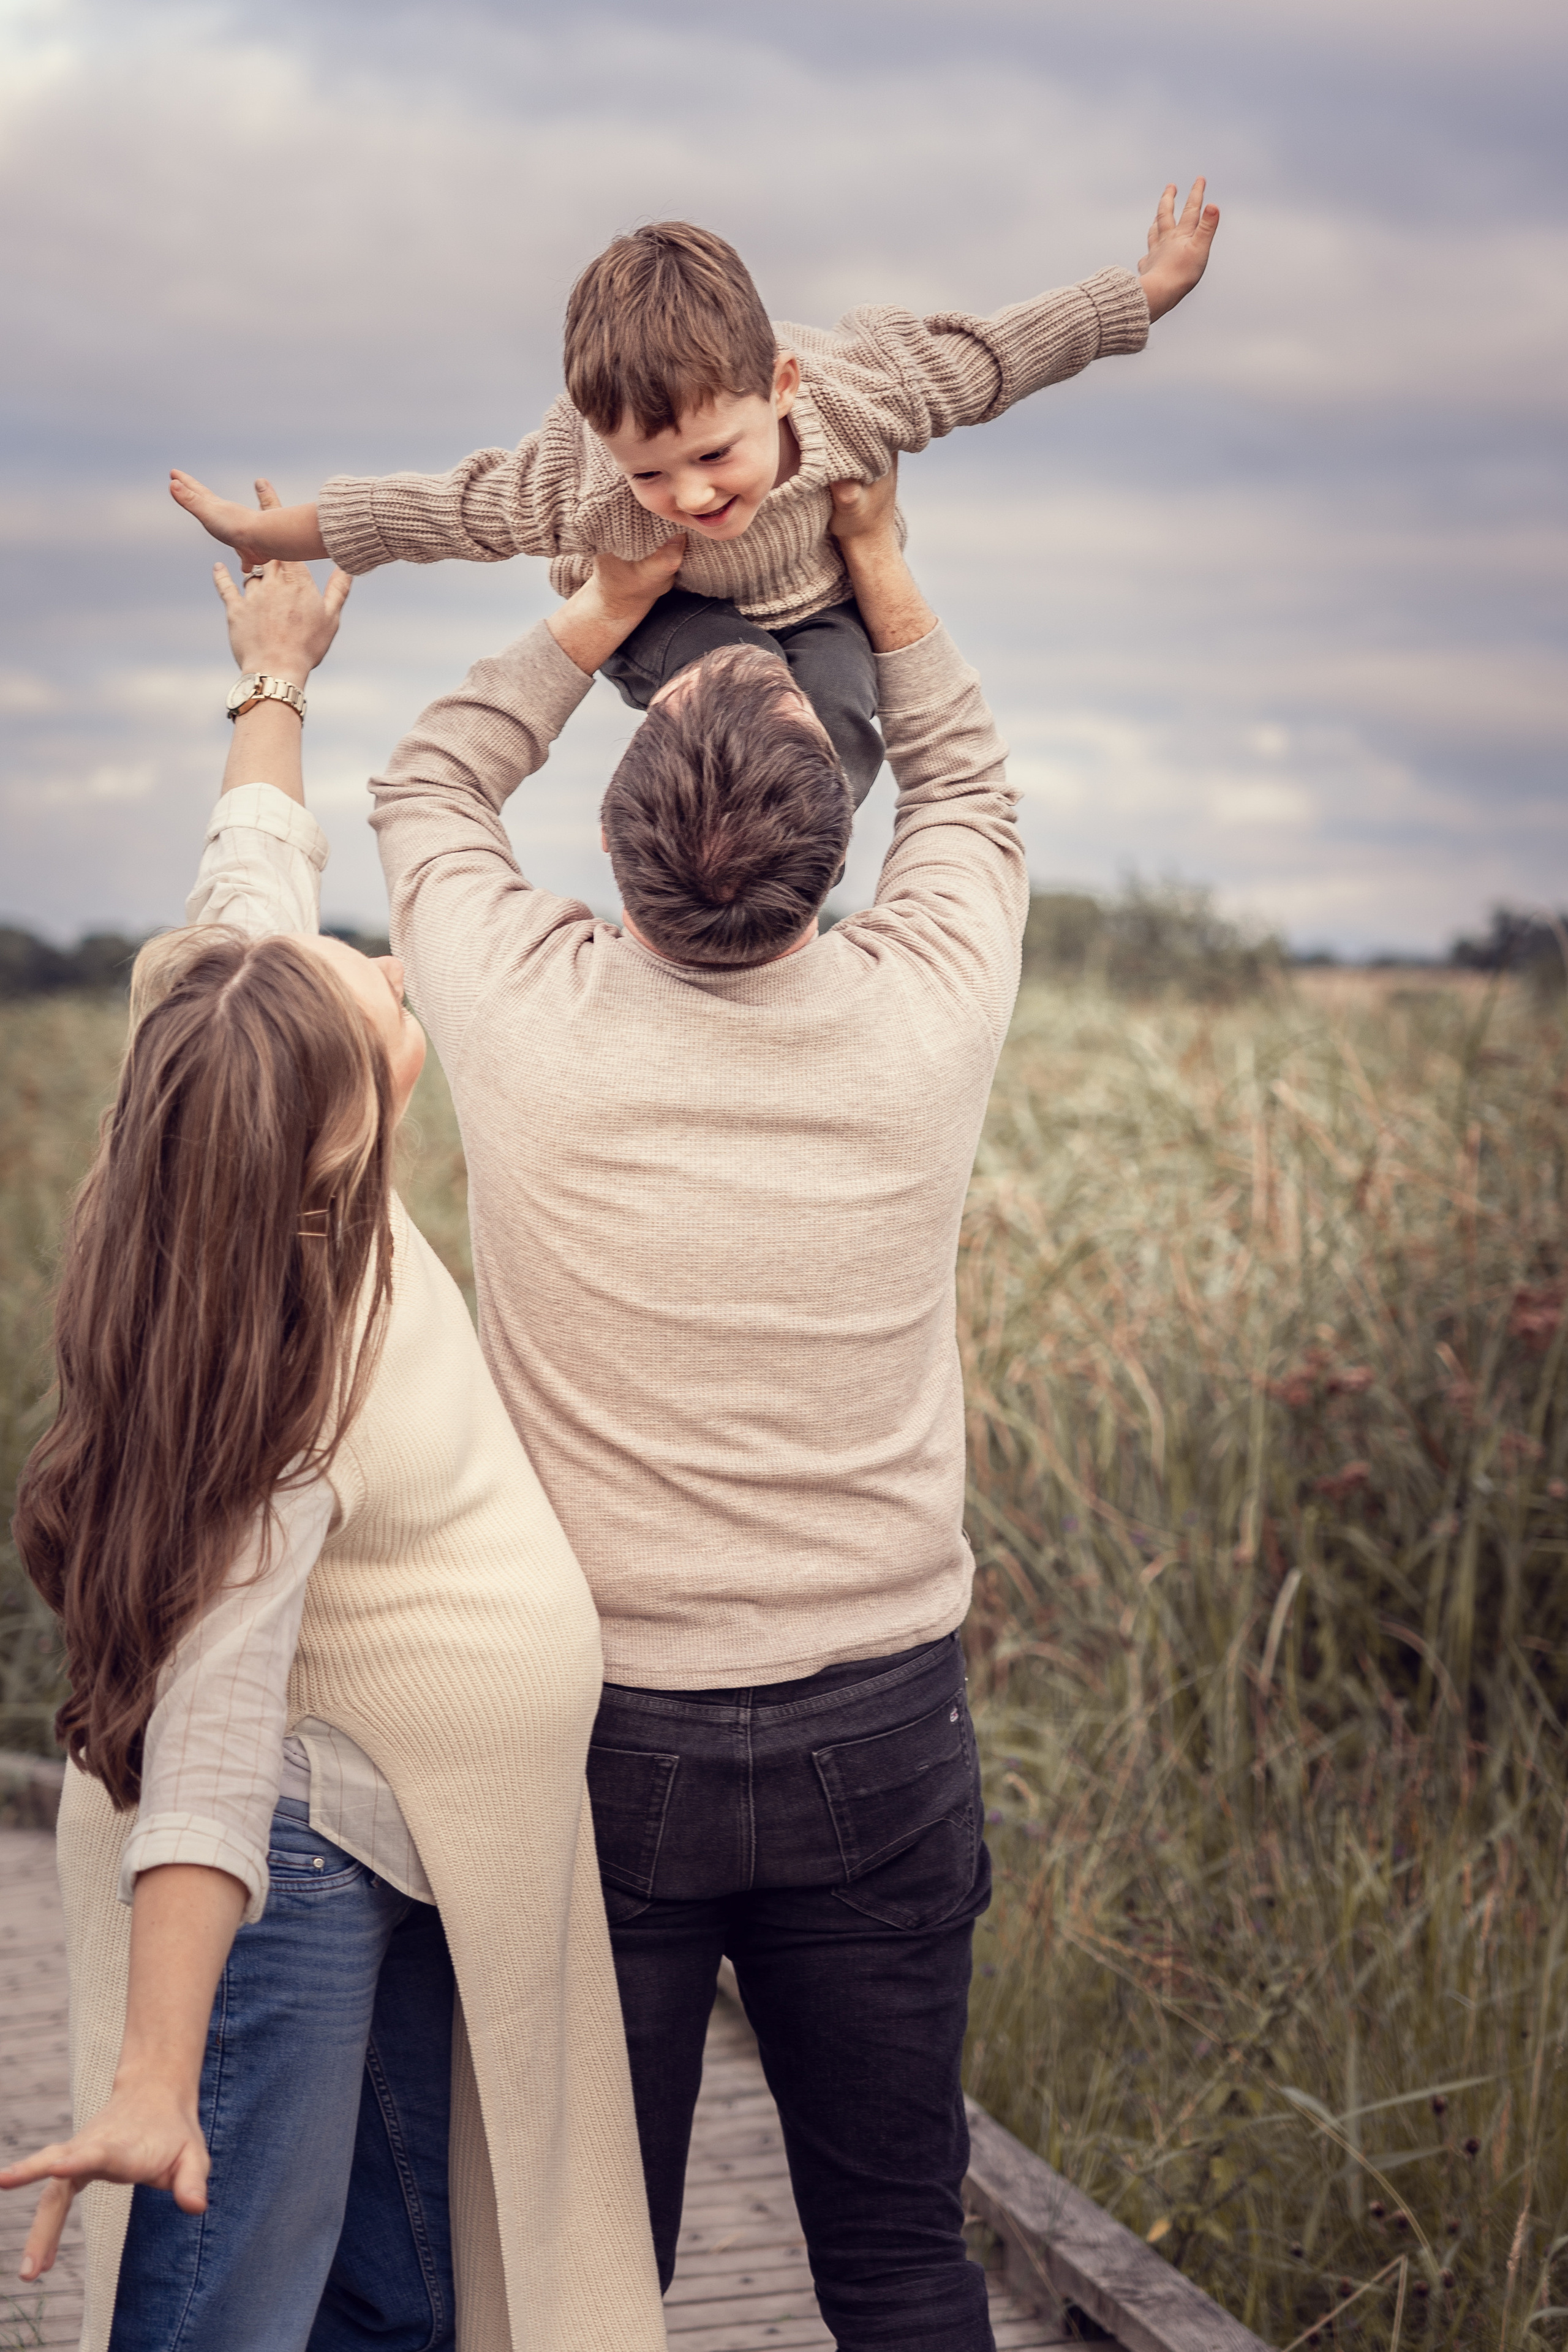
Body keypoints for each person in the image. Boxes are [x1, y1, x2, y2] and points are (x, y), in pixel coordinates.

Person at [157, 456, 1032, 2347]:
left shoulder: (522, 1003)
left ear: (616, 858)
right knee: (899, 2259)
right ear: (828, 854)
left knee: (577, 2272)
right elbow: (965, 782)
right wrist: (877, 568)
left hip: (604, 1739)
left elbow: (427, 784)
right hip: (879, 1719)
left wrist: (602, 614)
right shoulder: (928, 1005)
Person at [0, 542, 665, 2352]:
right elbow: (212, 1724)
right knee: (230, 2305)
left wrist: (274, 674)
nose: (369, 972)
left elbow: (248, 889)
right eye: (373, 1004)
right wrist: (154, 2075)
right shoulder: (281, 1369)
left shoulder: (210, 1075)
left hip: (404, 1838)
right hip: (299, 1852)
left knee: (393, 2299)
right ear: (338, 1140)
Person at [168, 181, 1218, 802]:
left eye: (716, 455)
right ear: (599, 439)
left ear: (782, 387)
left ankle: (789, 882)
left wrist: (1148, 291)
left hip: (818, 604)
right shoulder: (584, 479)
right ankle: (692, 848)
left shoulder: (864, 392)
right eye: (650, 471)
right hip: (661, 616)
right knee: (740, 674)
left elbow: (999, 356)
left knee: (840, 708)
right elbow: (442, 508)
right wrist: (266, 528)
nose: (690, 493)